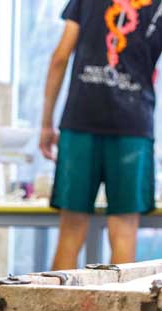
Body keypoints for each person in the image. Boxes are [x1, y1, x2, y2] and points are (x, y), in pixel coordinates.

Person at [40, 0, 162, 271]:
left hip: (81, 122)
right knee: (123, 233)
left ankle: (56, 301)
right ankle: (119, 302)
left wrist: (46, 124)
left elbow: (60, 57)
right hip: (132, 127)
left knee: (70, 234)